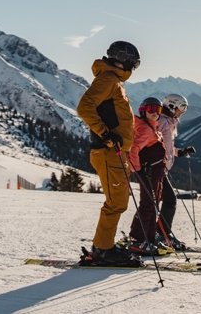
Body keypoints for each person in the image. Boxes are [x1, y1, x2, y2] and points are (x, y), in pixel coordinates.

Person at [76, 40, 141, 265]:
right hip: (108, 151)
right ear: (122, 61)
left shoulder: (112, 81)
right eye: (133, 64)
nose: (133, 69)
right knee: (116, 202)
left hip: (115, 152)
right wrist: (105, 134)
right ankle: (103, 250)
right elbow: (84, 107)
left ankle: (104, 246)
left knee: (118, 201)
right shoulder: (108, 79)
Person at [126, 97, 167, 255]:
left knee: (152, 204)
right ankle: (137, 239)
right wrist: (138, 169)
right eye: (151, 109)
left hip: (152, 172)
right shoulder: (145, 129)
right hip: (147, 173)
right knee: (148, 204)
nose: (155, 113)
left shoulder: (150, 126)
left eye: (158, 110)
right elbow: (134, 149)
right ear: (143, 111)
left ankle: (148, 238)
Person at [155, 93, 195, 249]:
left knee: (159, 201)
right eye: (181, 108)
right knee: (169, 200)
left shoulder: (169, 121)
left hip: (160, 166)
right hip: (156, 167)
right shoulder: (162, 122)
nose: (182, 112)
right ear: (171, 106)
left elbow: (167, 147)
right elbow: (155, 144)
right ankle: (161, 234)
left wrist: (180, 152)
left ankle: (159, 233)